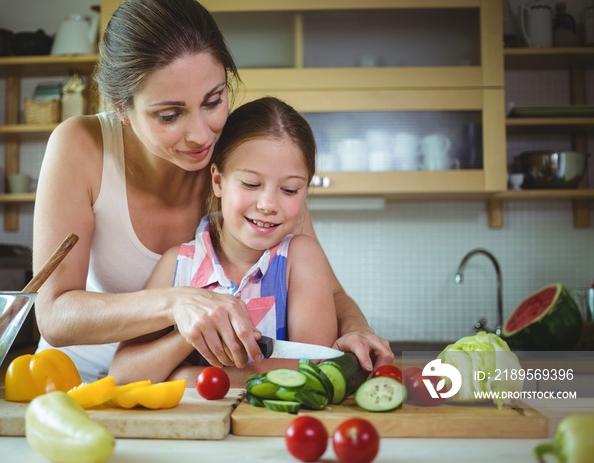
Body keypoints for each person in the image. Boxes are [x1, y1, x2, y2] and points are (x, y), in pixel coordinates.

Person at [32, 0, 393, 383]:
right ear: (121, 106)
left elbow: (330, 292)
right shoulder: (81, 146)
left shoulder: (246, 168)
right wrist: (179, 302)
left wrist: (356, 328)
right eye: (169, 115)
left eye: (213, 101)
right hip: (73, 380)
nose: (202, 136)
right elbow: (54, 313)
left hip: (186, 391)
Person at [110, 97, 338, 386]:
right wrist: (188, 335)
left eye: (290, 189)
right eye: (251, 184)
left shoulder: (301, 259)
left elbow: (312, 370)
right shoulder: (178, 264)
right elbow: (122, 375)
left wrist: (184, 376)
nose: (268, 204)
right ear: (218, 181)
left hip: (271, 429)